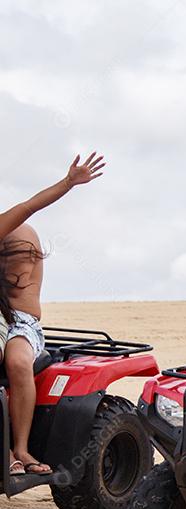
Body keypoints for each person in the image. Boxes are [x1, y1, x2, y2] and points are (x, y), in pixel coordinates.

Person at [1, 152, 107, 475]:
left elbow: (30, 205)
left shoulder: (7, 227)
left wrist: (69, 182)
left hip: (18, 324)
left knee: (17, 362)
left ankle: (18, 448)